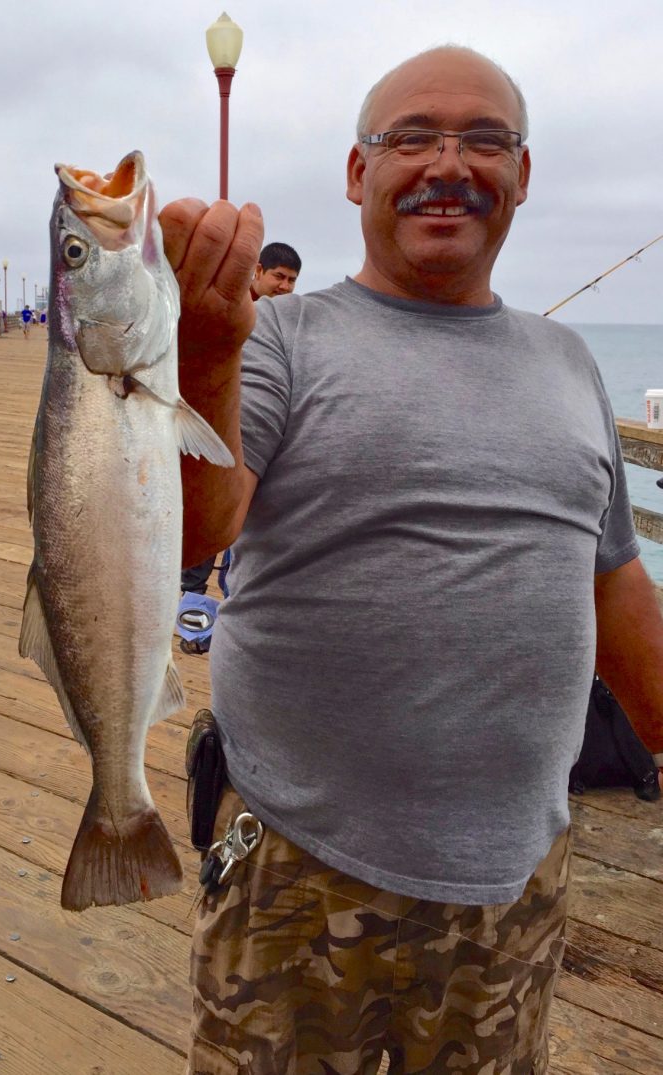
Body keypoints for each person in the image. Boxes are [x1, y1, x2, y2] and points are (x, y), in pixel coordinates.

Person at [161, 46, 663, 1074]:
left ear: (522, 176)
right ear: (357, 174)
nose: (450, 162)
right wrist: (205, 354)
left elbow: (616, 586)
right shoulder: (281, 339)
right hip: (301, 875)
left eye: (486, 140)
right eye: (411, 138)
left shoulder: (569, 361)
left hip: (516, 881)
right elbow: (189, 533)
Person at [178, 241, 302, 606]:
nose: (285, 286)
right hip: (214, 428)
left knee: (246, 528)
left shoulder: (290, 319)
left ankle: (235, 601)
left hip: (264, 432)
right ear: (258, 271)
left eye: (293, 280)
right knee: (209, 519)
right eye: (279, 276)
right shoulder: (231, 308)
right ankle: (190, 605)